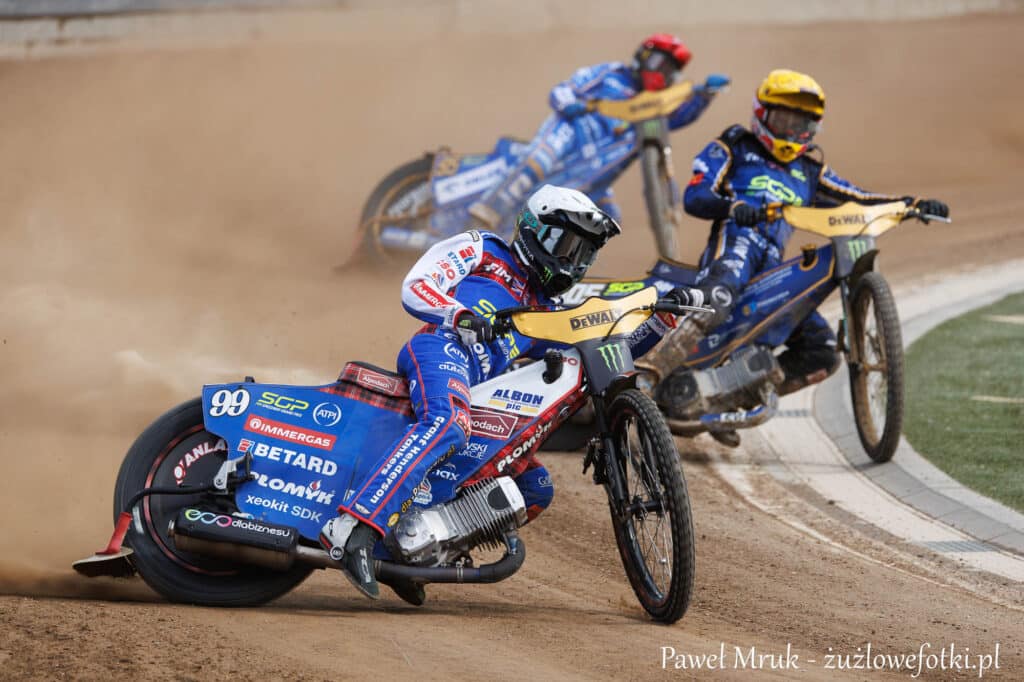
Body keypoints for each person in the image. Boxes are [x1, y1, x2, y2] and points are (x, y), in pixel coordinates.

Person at [321, 184, 685, 604]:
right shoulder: (485, 249)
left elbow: (599, 354)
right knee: (449, 423)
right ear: (533, 230)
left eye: (583, 253)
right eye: (565, 245)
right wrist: (459, 314)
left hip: (478, 390)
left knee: (535, 487)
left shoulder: (545, 312)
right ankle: (354, 527)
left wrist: (662, 320)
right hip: (441, 347)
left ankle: (415, 554)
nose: (571, 262)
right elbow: (417, 284)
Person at [654, 69, 949, 442]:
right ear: (762, 114)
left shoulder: (810, 170)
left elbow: (858, 198)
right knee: (719, 296)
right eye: (784, 120)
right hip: (736, 246)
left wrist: (910, 204)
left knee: (822, 351)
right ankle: (651, 372)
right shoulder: (735, 145)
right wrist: (734, 207)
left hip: (773, 268)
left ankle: (721, 399)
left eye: (802, 124)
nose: (792, 131)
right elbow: (695, 196)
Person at [469, 33, 729, 229]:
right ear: (644, 56)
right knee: (539, 161)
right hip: (570, 132)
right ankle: (489, 211)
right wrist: (570, 105)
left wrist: (704, 96)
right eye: (660, 64)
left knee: (607, 218)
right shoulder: (610, 73)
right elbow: (565, 89)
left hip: (595, 169)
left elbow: (677, 118)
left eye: (670, 71)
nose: (663, 74)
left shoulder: (653, 106)